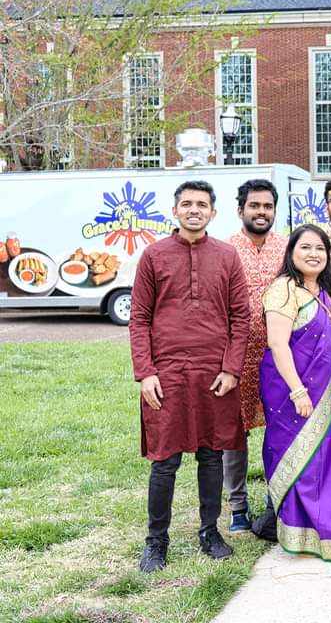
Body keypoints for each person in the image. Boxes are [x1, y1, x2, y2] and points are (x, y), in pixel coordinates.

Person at [130, 181, 250, 573]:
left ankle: (209, 532)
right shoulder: (154, 255)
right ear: (175, 210)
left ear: (213, 212)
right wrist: (146, 373)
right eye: (186, 203)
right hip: (166, 375)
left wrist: (231, 368)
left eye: (201, 204)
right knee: (164, 460)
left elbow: (240, 317)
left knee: (211, 454)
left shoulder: (227, 255)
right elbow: (139, 318)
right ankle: (156, 541)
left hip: (214, 374)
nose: (194, 209)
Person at [260, 225, 331, 563]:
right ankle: (301, 532)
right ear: (291, 253)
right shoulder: (284, 289)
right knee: (303, 461)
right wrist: (297, 391)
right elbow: (278, 344)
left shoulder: (327, 293)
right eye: (305, 247)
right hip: (292, 392)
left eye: (320, 248)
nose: (313, 254)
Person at [223, 179, 287, 533]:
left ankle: (275, 501)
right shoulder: (225, 249)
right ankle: (237, 506)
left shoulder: (287, 247)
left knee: (279, 429)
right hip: (235, 356)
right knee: (235, 432)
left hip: (279, 356)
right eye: (254, 206)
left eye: (267, 206)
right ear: (240, 210)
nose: (261, 212)